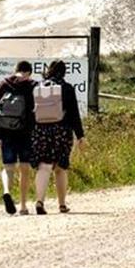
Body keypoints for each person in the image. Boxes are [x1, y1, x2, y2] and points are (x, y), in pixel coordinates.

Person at [30, 59, 85, 214]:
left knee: (44, 166)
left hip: (40, 131)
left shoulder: (37, 87)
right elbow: (74, 114)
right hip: (62, 131)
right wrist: (80, 135)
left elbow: (31, 112)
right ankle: (62, 204)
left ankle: (39, 201)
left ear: (49, 70)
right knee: (61, 168)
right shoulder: (67, 88)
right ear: (64, 72)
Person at [0, 60, 36, 215]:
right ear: (29, 72)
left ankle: (6, 191)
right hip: (25, 133)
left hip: (5, 131)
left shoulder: (3, 84)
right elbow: (34, 111)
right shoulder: (31, 86)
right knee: (24, 169)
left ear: (15, 70)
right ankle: (23, 206)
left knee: (8, 168)